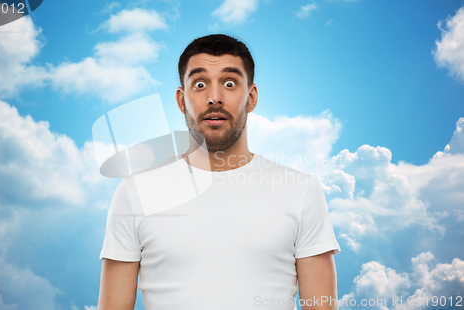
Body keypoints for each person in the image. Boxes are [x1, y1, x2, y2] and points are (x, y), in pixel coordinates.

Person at [97, 34, 340, 310]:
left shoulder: (301, 191)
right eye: (200, 84)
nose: (215, 98)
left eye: (229, 83)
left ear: (251, 98)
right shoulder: (135, 192)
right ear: (181, 100)